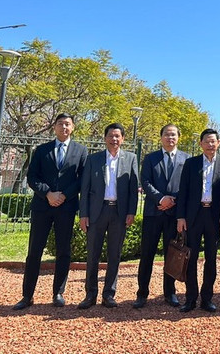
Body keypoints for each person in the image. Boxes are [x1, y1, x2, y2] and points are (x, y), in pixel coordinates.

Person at [13, 113, 88, 310]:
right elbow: (32, 177)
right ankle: (27, 295)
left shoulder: (81, 151)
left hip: (66, 207)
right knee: (34, 251)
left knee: (64, 251)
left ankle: (58, 293)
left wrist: (64, 195)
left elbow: (82, 179)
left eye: (68, 124)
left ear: (73, 127)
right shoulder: (42, 150)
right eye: (60, 124)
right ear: (54, 127)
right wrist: (48, 193)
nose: (64, 127)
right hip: (42, 206)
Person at [78, 123, 139, 309]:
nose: (114, 139)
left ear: (123, 139)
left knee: (114, 254)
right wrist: (83, 214)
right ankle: (90, 294)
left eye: (117, 136)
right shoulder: (93, 159)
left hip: (119, 213)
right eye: (111, 136)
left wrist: (131, 212)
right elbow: (84, 189)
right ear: (105, 138)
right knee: (92, 255)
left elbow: (133, 189)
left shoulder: (131, 158)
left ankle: (109, 294)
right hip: (97, 212)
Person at [176, 128, 220, 313]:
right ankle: (190, 299)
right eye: (206, 141)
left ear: (218, 143)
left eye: (213, 141)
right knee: (190, 258)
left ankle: (207, 299)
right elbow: (183, 191)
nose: (210, 144)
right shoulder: (191, 163)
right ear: (200, 143)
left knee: (211, 258)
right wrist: (180, 217)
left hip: (214, 217)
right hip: (193, 216)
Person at [133, 124, 189, 309]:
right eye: (166, 134)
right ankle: (142, 293)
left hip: (174, 214)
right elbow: (145, 181)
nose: (170, 137)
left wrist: (172, 200)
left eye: (173, 135)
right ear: (161, 137)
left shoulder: (186, 159)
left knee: (171, 255)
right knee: (147, 254)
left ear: (178, 137)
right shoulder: (150, 158)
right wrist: (161, 198)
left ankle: (169, 293)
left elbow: (187, 185)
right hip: (153, 212)